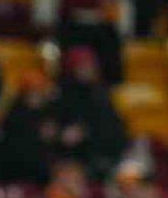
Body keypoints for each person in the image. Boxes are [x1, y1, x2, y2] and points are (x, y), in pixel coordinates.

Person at [53, 46, 127, 182]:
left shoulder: (100, 93)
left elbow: (113, 129)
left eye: (91, 65)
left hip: (107, 155)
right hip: (78, 159)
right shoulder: (62, 96)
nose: (90, 70)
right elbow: (55, 131)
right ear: (73, 69)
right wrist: (63, 134)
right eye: (84, 66)